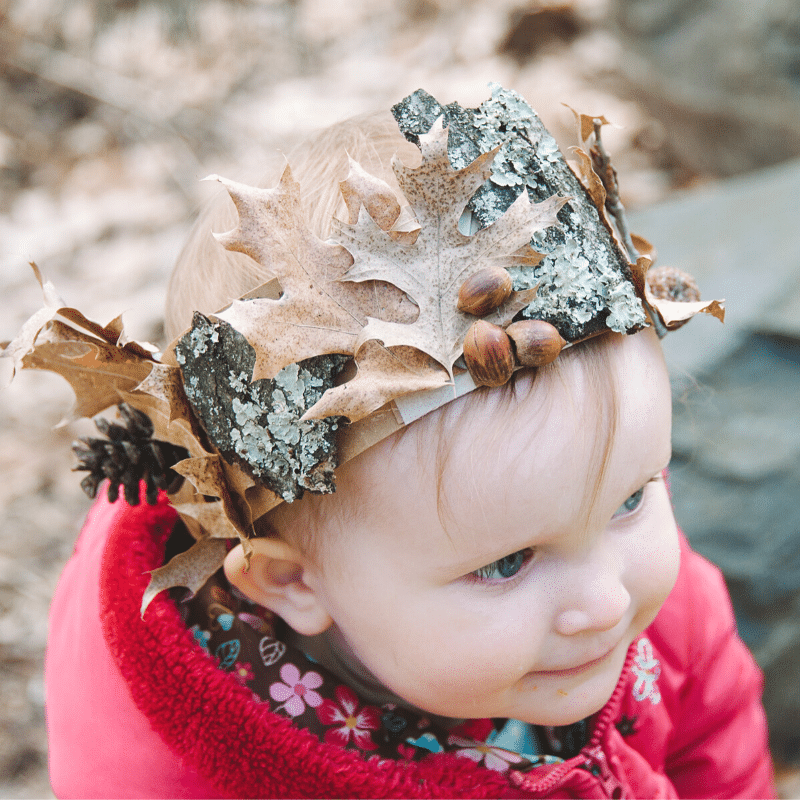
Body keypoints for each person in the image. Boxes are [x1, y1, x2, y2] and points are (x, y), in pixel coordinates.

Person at [27, 87, 773, 798]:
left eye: (632, 499)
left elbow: (714, 736)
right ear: (293, 582)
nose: (608, 603)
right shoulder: (185, 780)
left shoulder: (611, 572)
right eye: (506, 563)